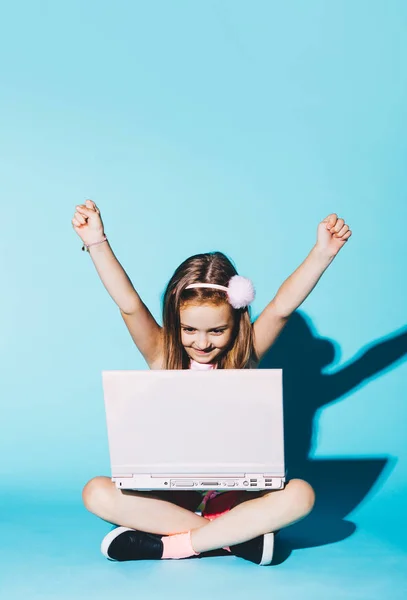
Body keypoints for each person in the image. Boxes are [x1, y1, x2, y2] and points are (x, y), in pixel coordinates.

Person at [72, 200, 352, 566]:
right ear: (175, 324)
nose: (202, 343)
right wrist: (97, 242)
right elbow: (128, 304)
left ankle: (173, 545)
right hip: (171, 502)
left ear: (236, 324)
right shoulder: (162, 354)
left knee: (301, 494)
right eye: (190, 329)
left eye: (216, 330)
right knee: (96, 492)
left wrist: (322, 253)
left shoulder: (246, 353)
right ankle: (236, 540)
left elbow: (283, 306)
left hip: (237, 501)